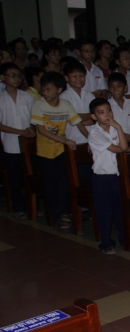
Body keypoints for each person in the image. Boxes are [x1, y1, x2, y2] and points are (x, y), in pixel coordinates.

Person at [30, 71, 88, 230]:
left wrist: (92, 140)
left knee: (63, 182)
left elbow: (79, 123)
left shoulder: (65, 105)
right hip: (45, 152)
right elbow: (41, 130)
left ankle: (65, 213)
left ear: (59, 90)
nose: (45, 92)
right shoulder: (39, 104)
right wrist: (64, 140)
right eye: (43, 89)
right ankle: (57, 215)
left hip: (61, 151)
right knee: (51, 184)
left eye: (49, 89)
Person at [86, 98, 130, 254]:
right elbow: (118, 149)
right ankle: (105, 242)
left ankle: (126, 238)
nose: (107, 114)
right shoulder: (95, 133)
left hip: (117, 175)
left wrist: (118, 127)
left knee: (120, 208)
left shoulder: (115, 128)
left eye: (108, 110)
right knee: (105, 211)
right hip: (102, 177)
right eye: (101, 112)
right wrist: (124, 145)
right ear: (94, 116)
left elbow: (123, 146)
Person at [0, 63, 35, 220]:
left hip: (28, 144)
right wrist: (20, 132)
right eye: (12, 75)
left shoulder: (27, 96)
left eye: (18, 76)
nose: (16, 79)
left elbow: (34, 118)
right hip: (10, 144)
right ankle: (19, 207)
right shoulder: (1, 98)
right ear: (3, 77)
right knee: (14, 179)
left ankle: (32, 206)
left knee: (29, 177)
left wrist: (31, 128)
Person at [60, 59, 95, 146]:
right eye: (74, 76)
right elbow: (72, 118)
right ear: (66, 78)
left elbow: (96, 118)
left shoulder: (89, 95)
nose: (79, 79)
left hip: (93, 138)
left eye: (81, 76)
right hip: (74, 140)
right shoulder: (64, 97)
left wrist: (79, 121)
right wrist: (91, 115)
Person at [107, 72, 130, 142]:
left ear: (125, 87)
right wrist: (121, 135)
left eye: (119, 86)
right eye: (112, 87)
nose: (115, 90)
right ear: (108, 89)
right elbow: (107, 126)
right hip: (116, 141)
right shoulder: (107, 106)